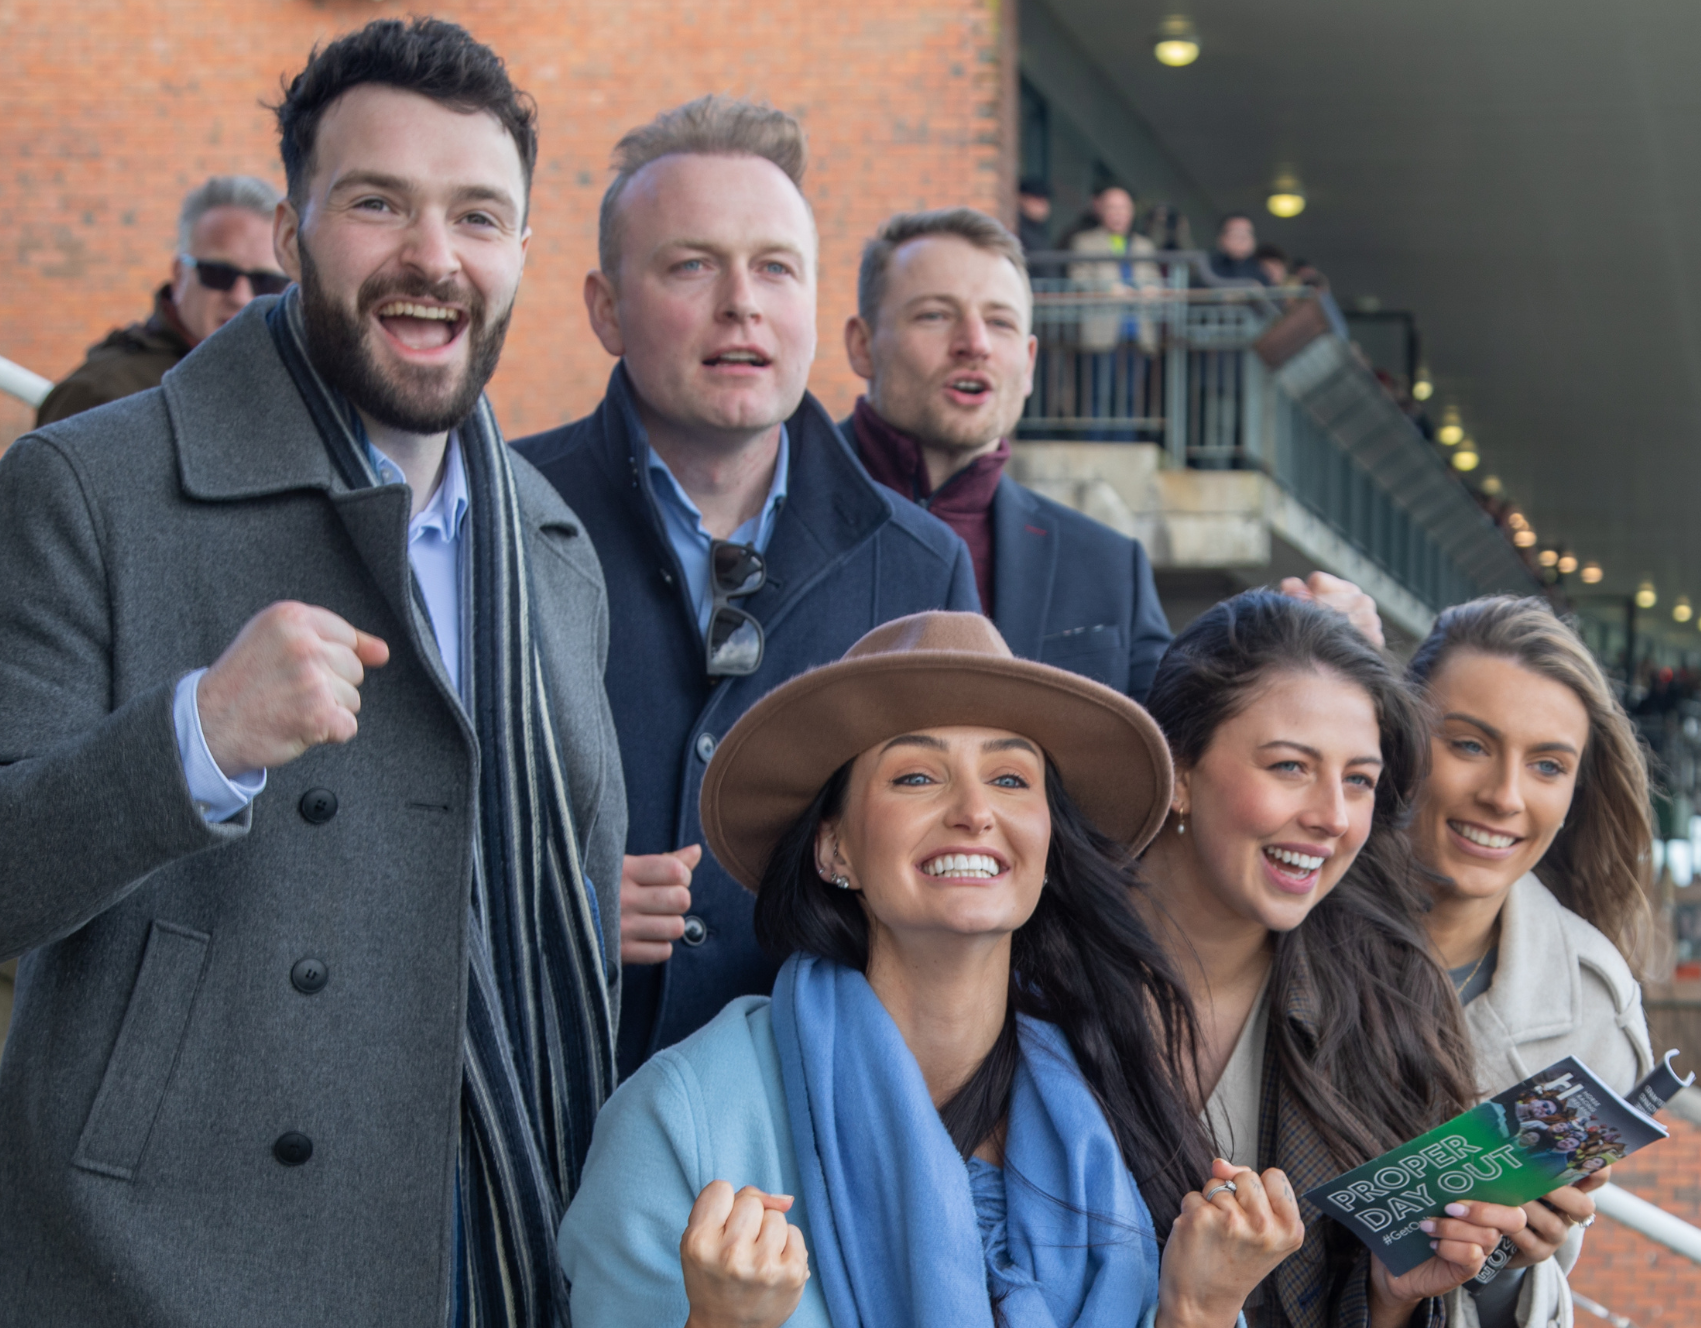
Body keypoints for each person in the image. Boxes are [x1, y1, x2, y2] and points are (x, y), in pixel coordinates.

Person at [0, 19, 624, 1323]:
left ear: (520, 249)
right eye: (377, 204)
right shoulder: (87, 486)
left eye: (476, 215)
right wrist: (196, 738)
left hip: (483, 1234)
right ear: (291, 235)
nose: (431, 257)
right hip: (169, 1257)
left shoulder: (552, 546)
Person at [558, 611, 1306, 1326]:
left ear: (1046, 849)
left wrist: (1200, 1311)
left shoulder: (1122, 1099)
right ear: (835, 849)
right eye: (917, 777)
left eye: (1012, 779)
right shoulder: (683, 1119)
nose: (975, 812)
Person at [516, 97, 979, 1076]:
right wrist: (546, 905)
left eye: (775, 266)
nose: (742, 302)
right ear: (606, 308)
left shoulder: (921, 565)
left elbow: (966, 856)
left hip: (806, 1141)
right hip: (541, 1125)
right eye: (691, 264)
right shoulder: (499, 521)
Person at [1137, 590, 1528, 1328]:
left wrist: (1390, 1297)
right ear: (1179, 768)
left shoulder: (1389, 997)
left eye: (1359, 780)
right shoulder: (1034, 971)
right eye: (1290, 767)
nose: (1334, 818)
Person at [1401, 597, 1660, 1322]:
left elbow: (1520, 1300)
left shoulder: (1596, 1008)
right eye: (1470, 746)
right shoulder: (1287, 912)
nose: (1504, 797)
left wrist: (1509, 1269)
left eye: (1547, 766)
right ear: (1399, 738)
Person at [841, 207, 1173, 696]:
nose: (974, 344)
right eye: (935, 315)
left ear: (1029, 362)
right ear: (863, 346)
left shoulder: (1108, 566)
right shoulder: (763, 515)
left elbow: (1186, 755)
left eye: (1000, 322)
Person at [36, 174, 286, 425]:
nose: (241, 297)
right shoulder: (99, 394)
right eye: (218, 273)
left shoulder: (293, 389)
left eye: (265, 281)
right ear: (179, 275)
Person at [1064, 185, 1162, 434]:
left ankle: (1125, 445)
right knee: (1098, 394)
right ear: (1101, 211)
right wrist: (1108, 289)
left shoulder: (1144, 246)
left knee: (1130, 396)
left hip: (1136, 334)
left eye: (1123, 208)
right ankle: (1096, 447)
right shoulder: (1085, 242)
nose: (1118, 214)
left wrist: (1152, 290)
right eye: (1112, 208)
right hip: (1101, 332)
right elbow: (1078, 280)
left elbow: (1156, 281)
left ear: (1131, 212)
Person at [1210, 213, 1269, 285]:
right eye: (1235, 234)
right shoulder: (1207, 269)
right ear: (1221, 239)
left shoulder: (1262, 270)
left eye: (1247, 233)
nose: (1242, 239)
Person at [1015, 176, 1054, 258]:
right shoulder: (1017, 227)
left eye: (1045, 199)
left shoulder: (1039, 230)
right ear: (1021, 199)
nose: (1042, 204)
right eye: (1037, 198)